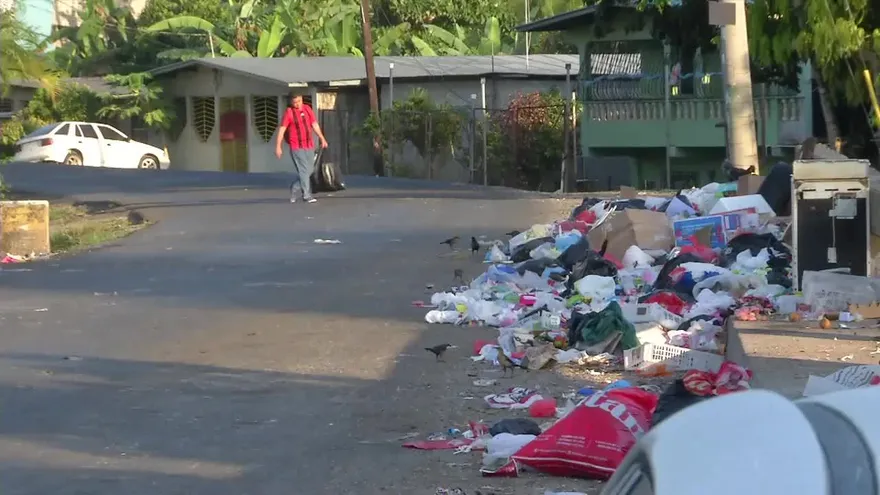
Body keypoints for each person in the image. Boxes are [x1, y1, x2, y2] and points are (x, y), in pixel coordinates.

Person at [275, 93, 328, 203]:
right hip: (296, 147)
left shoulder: (307, 109)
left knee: (310, 170)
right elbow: (282, 130)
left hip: (309, 145)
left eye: (299, 101)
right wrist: (278, 146)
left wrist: (322, 138)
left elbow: (314, 124)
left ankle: (295, 187)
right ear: (291, 102)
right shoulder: (289, 113)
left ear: (302, 100)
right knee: (304, 171)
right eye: (294, 102)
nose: (297, 104)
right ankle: (306, 195)